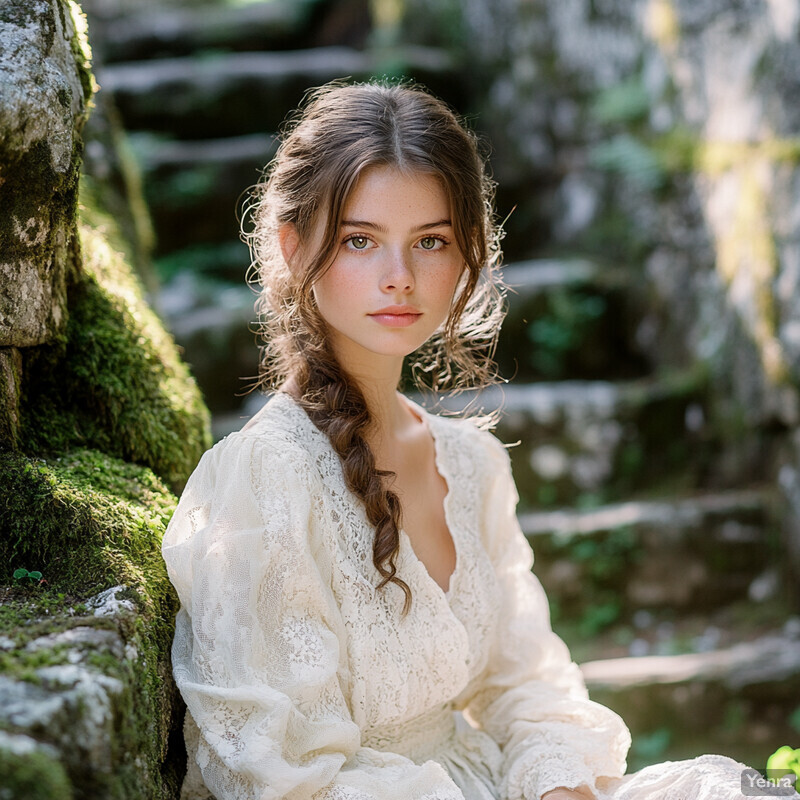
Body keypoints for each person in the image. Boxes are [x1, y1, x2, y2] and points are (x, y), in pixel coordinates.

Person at [161, 80, 766, 800]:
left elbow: (525, 680)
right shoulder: (263, 479)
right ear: (295, 249)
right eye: (360, 240)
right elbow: (280, 773)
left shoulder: (471, 463)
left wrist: (556, 786)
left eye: (430, 242)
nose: (399, 278)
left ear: (468, 254)